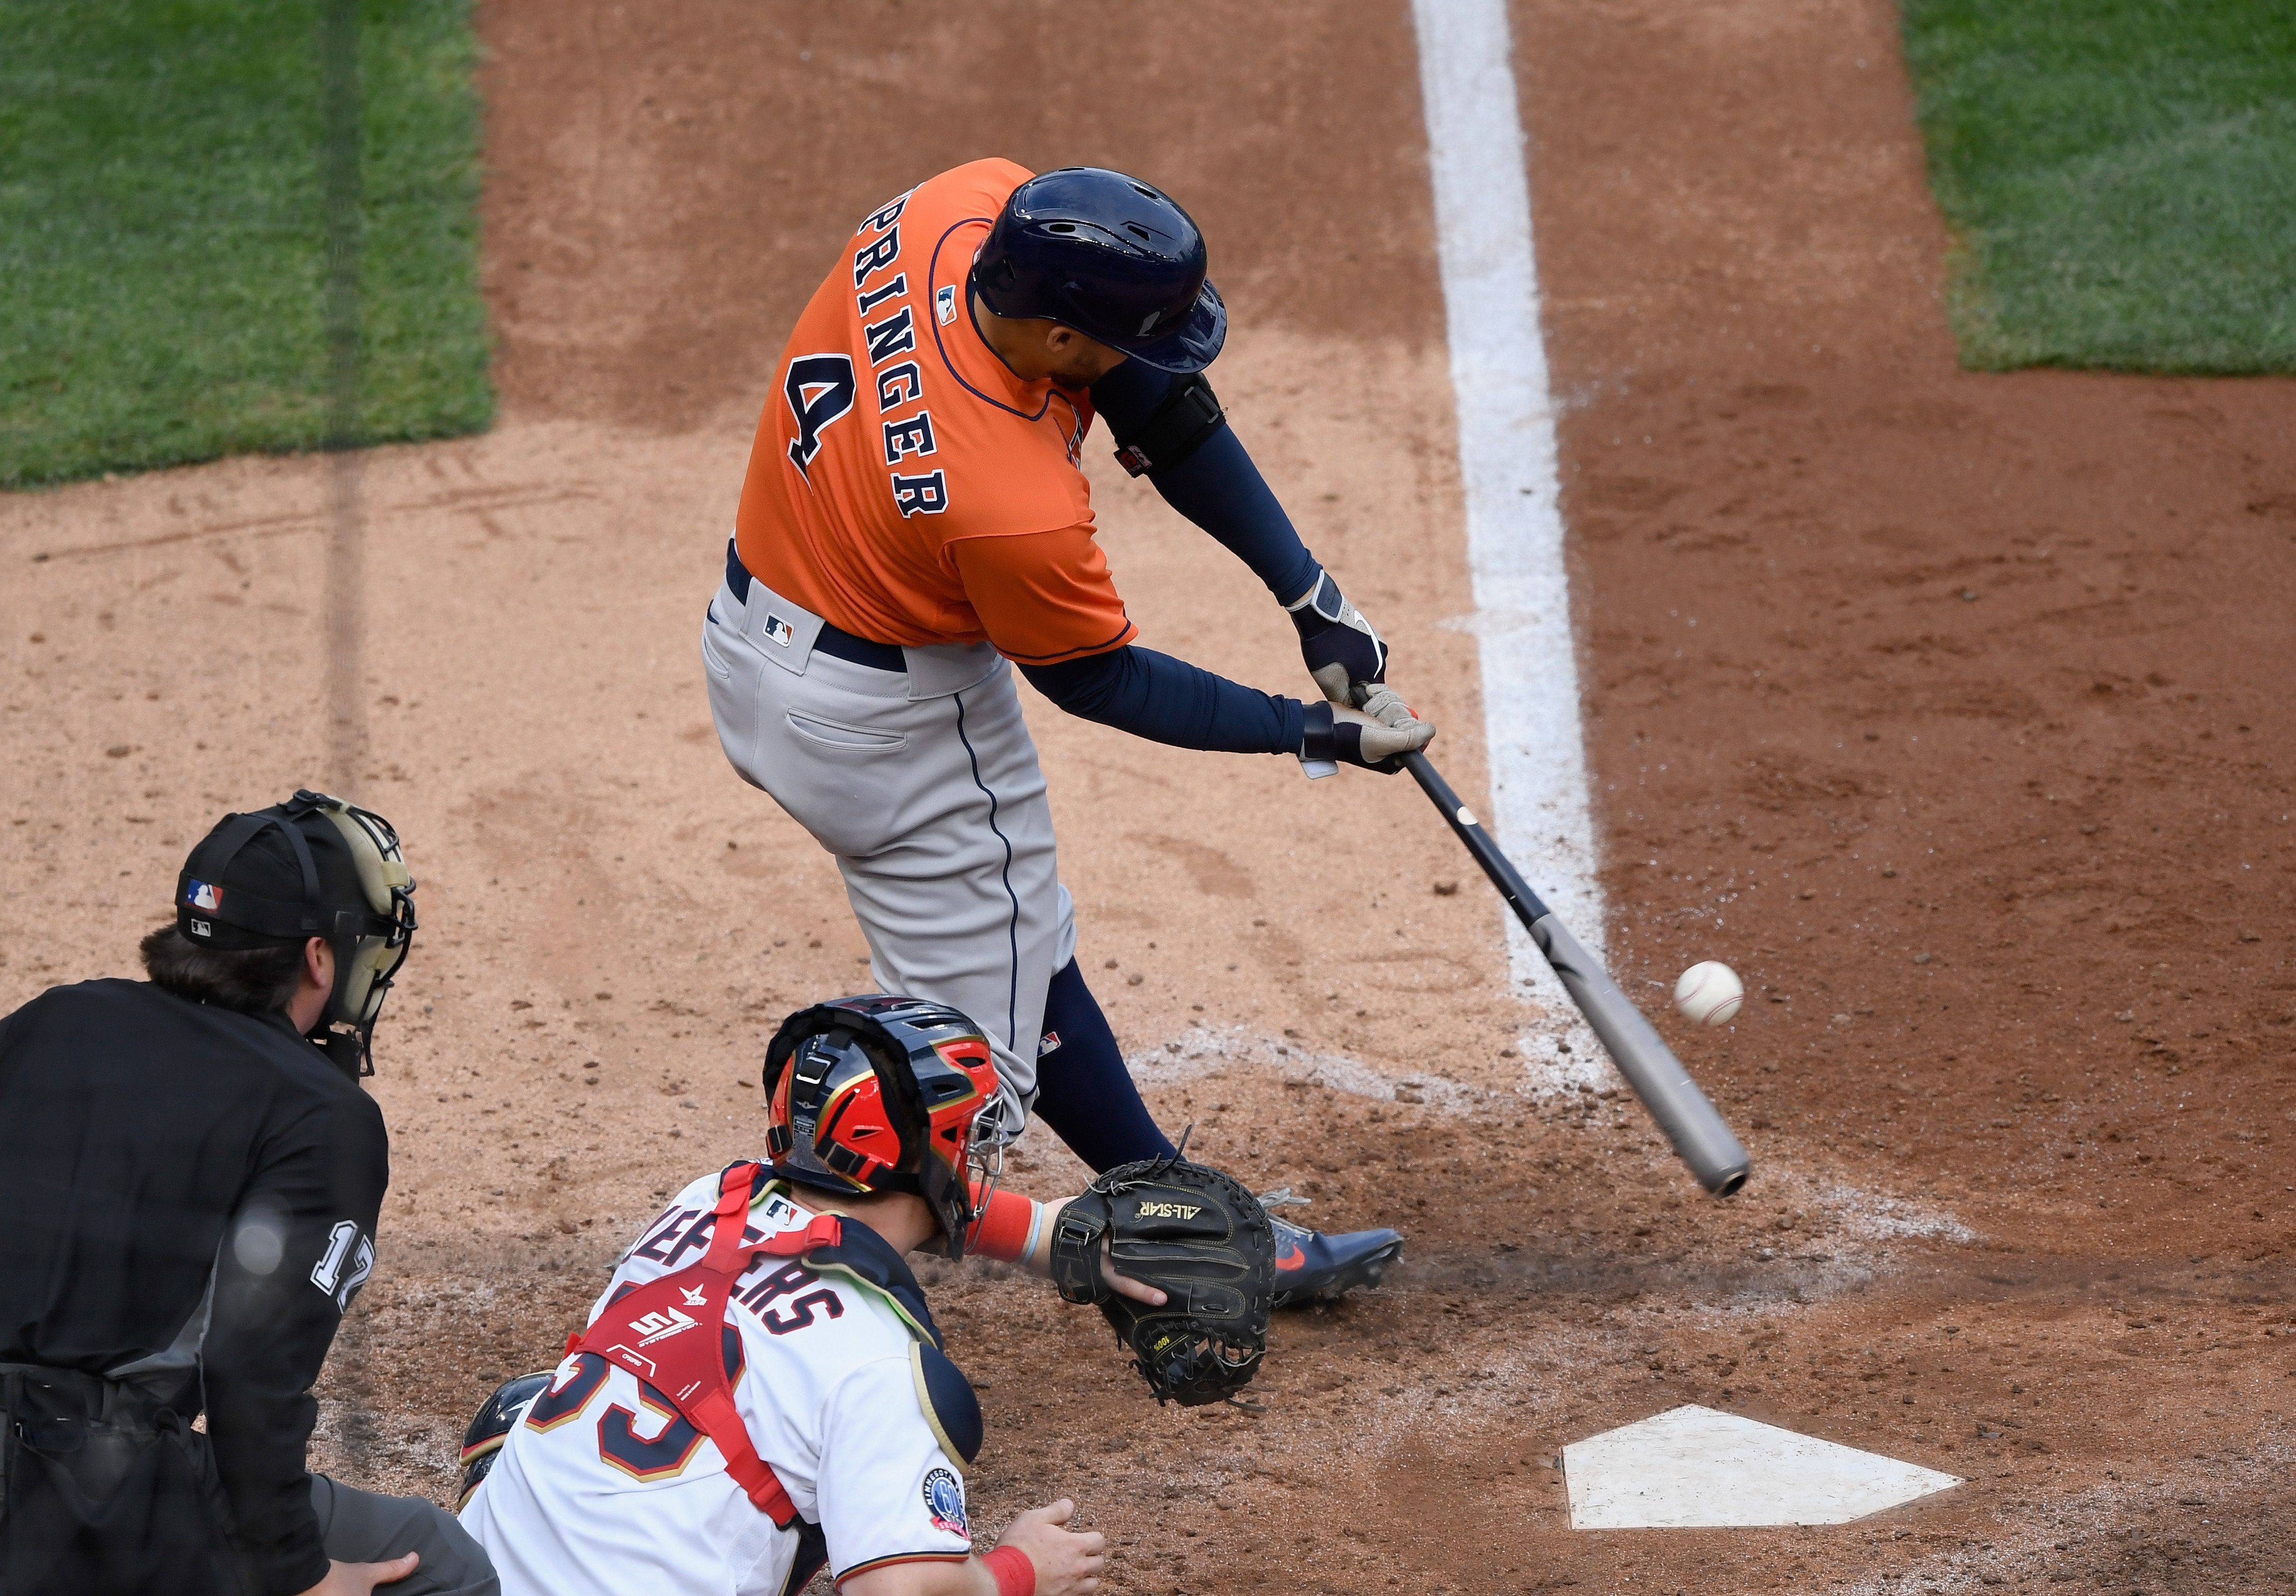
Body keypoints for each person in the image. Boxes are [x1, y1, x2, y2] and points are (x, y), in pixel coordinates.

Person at [706, 160, 1430, 1304]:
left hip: (763, 629)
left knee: (1025, 943)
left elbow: (1151, 392)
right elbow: (1099, 679)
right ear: (1054, 337)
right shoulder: (1008, 503)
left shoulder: (958, 208)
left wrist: (1309, 593)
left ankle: (1183, 1211)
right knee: (965, 1095)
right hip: (886, 728)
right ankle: (759, 1288)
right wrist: (1312, 733)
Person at [459, 996, 1147, 1596]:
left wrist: (1048, 1233)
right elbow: (899, 1591)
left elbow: (877, 1201)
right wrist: (1022, 1568)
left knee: (528, 1410)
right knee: (862, 1519)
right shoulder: (878, 1359)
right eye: (962, 1138)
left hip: (471, 1577)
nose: (972, 1156)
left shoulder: (704, 1201)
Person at [0, 791, 496, 1596]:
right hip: (83, 1498)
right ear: (318, 958)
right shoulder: (321, 1113)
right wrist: (298, 1572)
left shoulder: (52, 1019)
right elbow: (250, 1374)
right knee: (440, 1562)